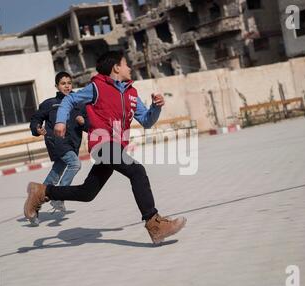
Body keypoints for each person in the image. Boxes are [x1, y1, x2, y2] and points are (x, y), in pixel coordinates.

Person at [24, 51, 186, 244]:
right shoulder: (97, 88)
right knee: (137, 172)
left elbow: (146, 121)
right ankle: (154, 224)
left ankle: (42, 192)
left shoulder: (132, 93)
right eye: (126, 64)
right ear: (116, 67)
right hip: (102, 145)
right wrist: (60, 121)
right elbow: (69, 100)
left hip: (116, 148)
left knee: (87, 193)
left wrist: (156, 107)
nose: (129, 67)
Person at [29, 71, 89, 224]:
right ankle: (59, 196)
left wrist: (84, 122)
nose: (67, 86)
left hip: (73, 143)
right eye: (63, 83)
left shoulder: (80, 103)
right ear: (57, 86)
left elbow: (89, 125)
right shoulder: (50, 104)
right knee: (75, 164)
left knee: (55, 173)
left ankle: (35, 202)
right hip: (56, 141)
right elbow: (36, 119)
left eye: (69, 83)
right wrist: (37, 128)